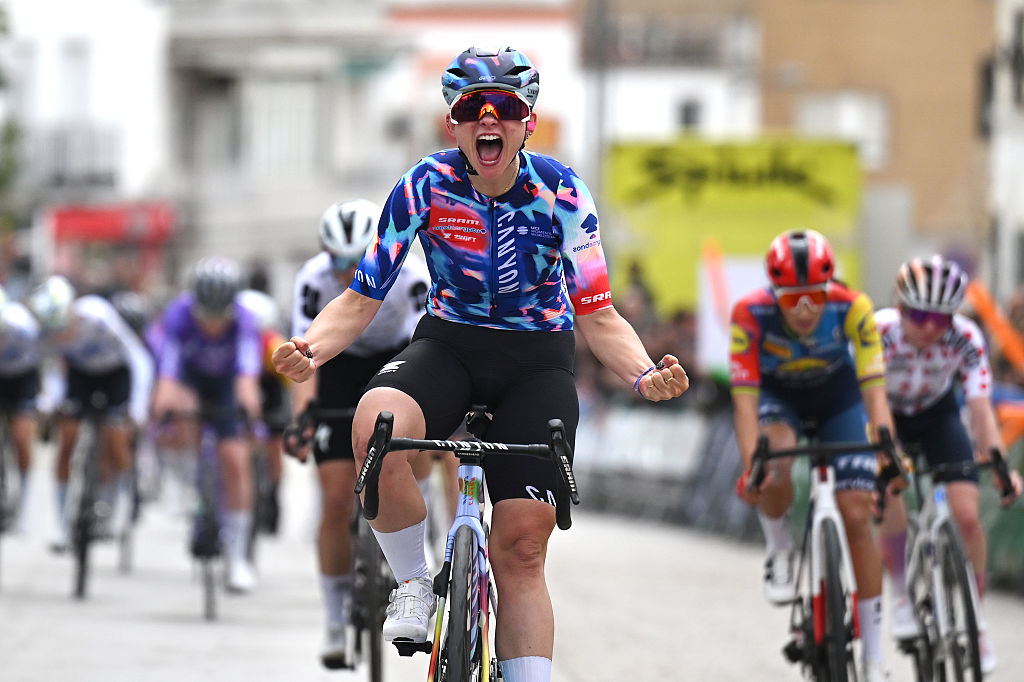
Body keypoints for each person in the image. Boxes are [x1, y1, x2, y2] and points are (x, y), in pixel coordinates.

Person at [273, 46, 688, 682]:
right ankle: (411, 579)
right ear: (453, 123)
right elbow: (361, 297)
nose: (488, 118)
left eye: (506, 108)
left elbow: (599, 315)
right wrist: (311, 350)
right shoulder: (424, 185)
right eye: (472, 108)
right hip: (450, 345)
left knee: (521, 548)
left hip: (537, 361)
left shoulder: (562, 193)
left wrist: (642, 373)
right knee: (375, 425)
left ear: (526, 120)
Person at [730, 229, 900, 682]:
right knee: (776, 459)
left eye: (814, 298)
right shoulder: (750, 313)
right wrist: (753, 467)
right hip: (779, 400)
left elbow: (875, 391)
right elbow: (745, 402)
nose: (805, 311)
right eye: (792, 300)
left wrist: (887, 449)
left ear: (829, 288)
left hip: (838, 400)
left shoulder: (853, 306)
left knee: (858, 514)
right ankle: (779, 546)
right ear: (774, 293)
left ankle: (874, 655)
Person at [287, 198, 449, 669]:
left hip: (399, 357)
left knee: (407, 447)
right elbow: (306, 358)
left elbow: (430, 353)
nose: (343, 272)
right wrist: (304, 417)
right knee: (337, 500)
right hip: (337, 363)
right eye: (335, 260)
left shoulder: (412, 274)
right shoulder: (312, 280)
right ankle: (335, 620)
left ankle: (416, 505)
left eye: (353, 261)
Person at [875, 255, 1022, 673]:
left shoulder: (966, 338)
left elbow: (979, 409)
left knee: (966, 515)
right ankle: (902, 592)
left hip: (938, 415)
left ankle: (975, 620)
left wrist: (997, 462)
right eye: (917, 314)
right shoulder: (880, 332)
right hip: (887, 414)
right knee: (890, 486)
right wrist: (886, 455)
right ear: (900, 307)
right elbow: (868, 401)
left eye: (940, 319)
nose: (927, 327)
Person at [149, 257, 263, 593]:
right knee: (179, 411)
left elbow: (247, 371)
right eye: (206, 317)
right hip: (192, 378)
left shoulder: (244, 319)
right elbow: (168, 368)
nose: (212, 325)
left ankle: (238, 557)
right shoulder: (178, 313)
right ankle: (188, 480)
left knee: (234, 460)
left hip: (227, 381)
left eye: (219, 317)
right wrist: (164, 401)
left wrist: (248, 404)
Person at [27, 275, 154, 549]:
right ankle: (62, 524)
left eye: (65, 326)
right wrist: (50, 402)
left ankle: (119, 506)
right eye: (55, 331)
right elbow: (52, 371)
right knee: (67, 441)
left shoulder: (97, 315)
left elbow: (137, 357)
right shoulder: (46, 334)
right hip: (80, 376)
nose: (62, 335)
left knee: (114, 435)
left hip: (115, 374)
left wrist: (138, 405)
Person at [237, 287, 288, 535]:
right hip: (243, 385)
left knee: (274, 444)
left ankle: (274, 494)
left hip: (270, 388)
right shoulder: (235, 340)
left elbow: (287, 382)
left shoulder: (272, 344)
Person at [0, 284, 42, 532]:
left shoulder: (25, 327)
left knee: (21, 437)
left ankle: (24, 507)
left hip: (23, 378)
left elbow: (48, 358)